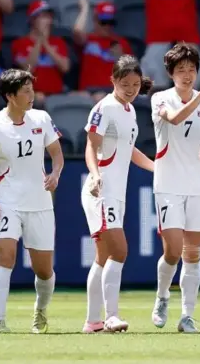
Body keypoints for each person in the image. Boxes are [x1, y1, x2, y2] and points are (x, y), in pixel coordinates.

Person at [0, 69, 64, 334]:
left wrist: (55, 174)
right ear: (10, 96)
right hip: (7, 200)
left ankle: (40, 310)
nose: (31, 95)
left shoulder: (42, 118)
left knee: (44, 271)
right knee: (5, 255)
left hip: (39, 200)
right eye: (25, 91)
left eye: (31, 89)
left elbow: (57, 154)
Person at [149, 44, 200, 333]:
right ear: (171, 73)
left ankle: (187, 316)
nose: (188, 75)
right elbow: (176, 118)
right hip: (168, 183)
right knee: (172, 251)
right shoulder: (160, 98)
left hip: (198, 184)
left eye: (192, 69)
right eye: (181, 70)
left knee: (193, 253)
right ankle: (162, 296)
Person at [81, 55, 155, 333]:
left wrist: (156, 168)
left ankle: (93, 322)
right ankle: (111, 316)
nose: (131, 90)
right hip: (101, 190)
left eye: (136, 85)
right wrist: (95, 174)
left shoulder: (129, 110)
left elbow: (129, 149)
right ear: (113, 80)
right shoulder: (104, 108)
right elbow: (91, 146)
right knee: (119, 251)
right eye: (125, 84)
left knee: (102, 257)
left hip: (116, 192)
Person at [73, 0, 133, 101]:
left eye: (111, 22)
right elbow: (77, 31)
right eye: (103, 22)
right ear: (95, 21)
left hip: (112, 92)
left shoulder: (122, 43)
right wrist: (85, 9)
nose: (107, 26)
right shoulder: (89, 40)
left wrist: (120, 58)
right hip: (88, 92)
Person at [12, 0, 70, 103]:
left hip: (57, 94)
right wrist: (39, 40)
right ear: (32, 20)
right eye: (43, 16)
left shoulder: (58, 42)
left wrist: (46, 44)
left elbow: (65, 67)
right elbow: (28, 69)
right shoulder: (20, 43)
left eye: (49, 17)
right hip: (32, 94)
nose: (48, 21)